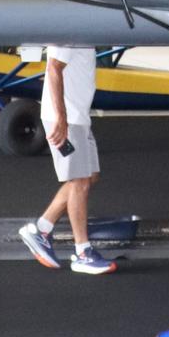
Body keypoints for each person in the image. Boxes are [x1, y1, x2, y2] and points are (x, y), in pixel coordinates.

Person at [17, 44, 116, 275]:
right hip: (67, 119)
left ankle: (41, 229)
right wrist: (62, 118)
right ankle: (83, 253)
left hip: (77, 117)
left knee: (89, 177)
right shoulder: (69, 29)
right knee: (79, 181)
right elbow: (53, 69)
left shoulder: (84, 30)